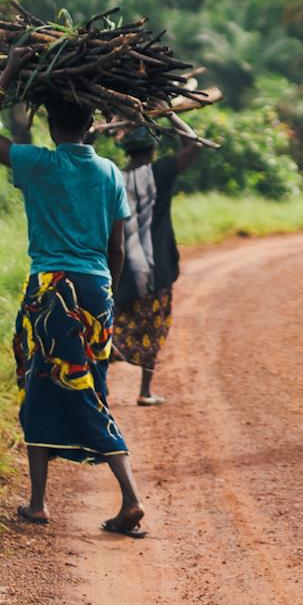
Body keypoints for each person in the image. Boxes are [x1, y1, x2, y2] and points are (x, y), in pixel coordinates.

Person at [0, 45, 147, 537]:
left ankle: (130, 498)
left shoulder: (37, 164)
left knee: (57, 387)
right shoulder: (111, 172)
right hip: (95, 291)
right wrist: (104, 293)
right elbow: (116, 247)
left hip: (51, 291)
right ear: (91, 123)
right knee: (68, 385)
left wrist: (7, 74)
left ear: (51, 126)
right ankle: (36, 503)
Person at [111, 124, 201, 405]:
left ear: (127, 151)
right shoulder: (159, 172)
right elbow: (194, 144)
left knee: (116, 323)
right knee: (155, 325)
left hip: (121, 267)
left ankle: (100, 382)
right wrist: (171, 114)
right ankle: (145, 390)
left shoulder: (114, 177)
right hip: (155, 267)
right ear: (153, 149)